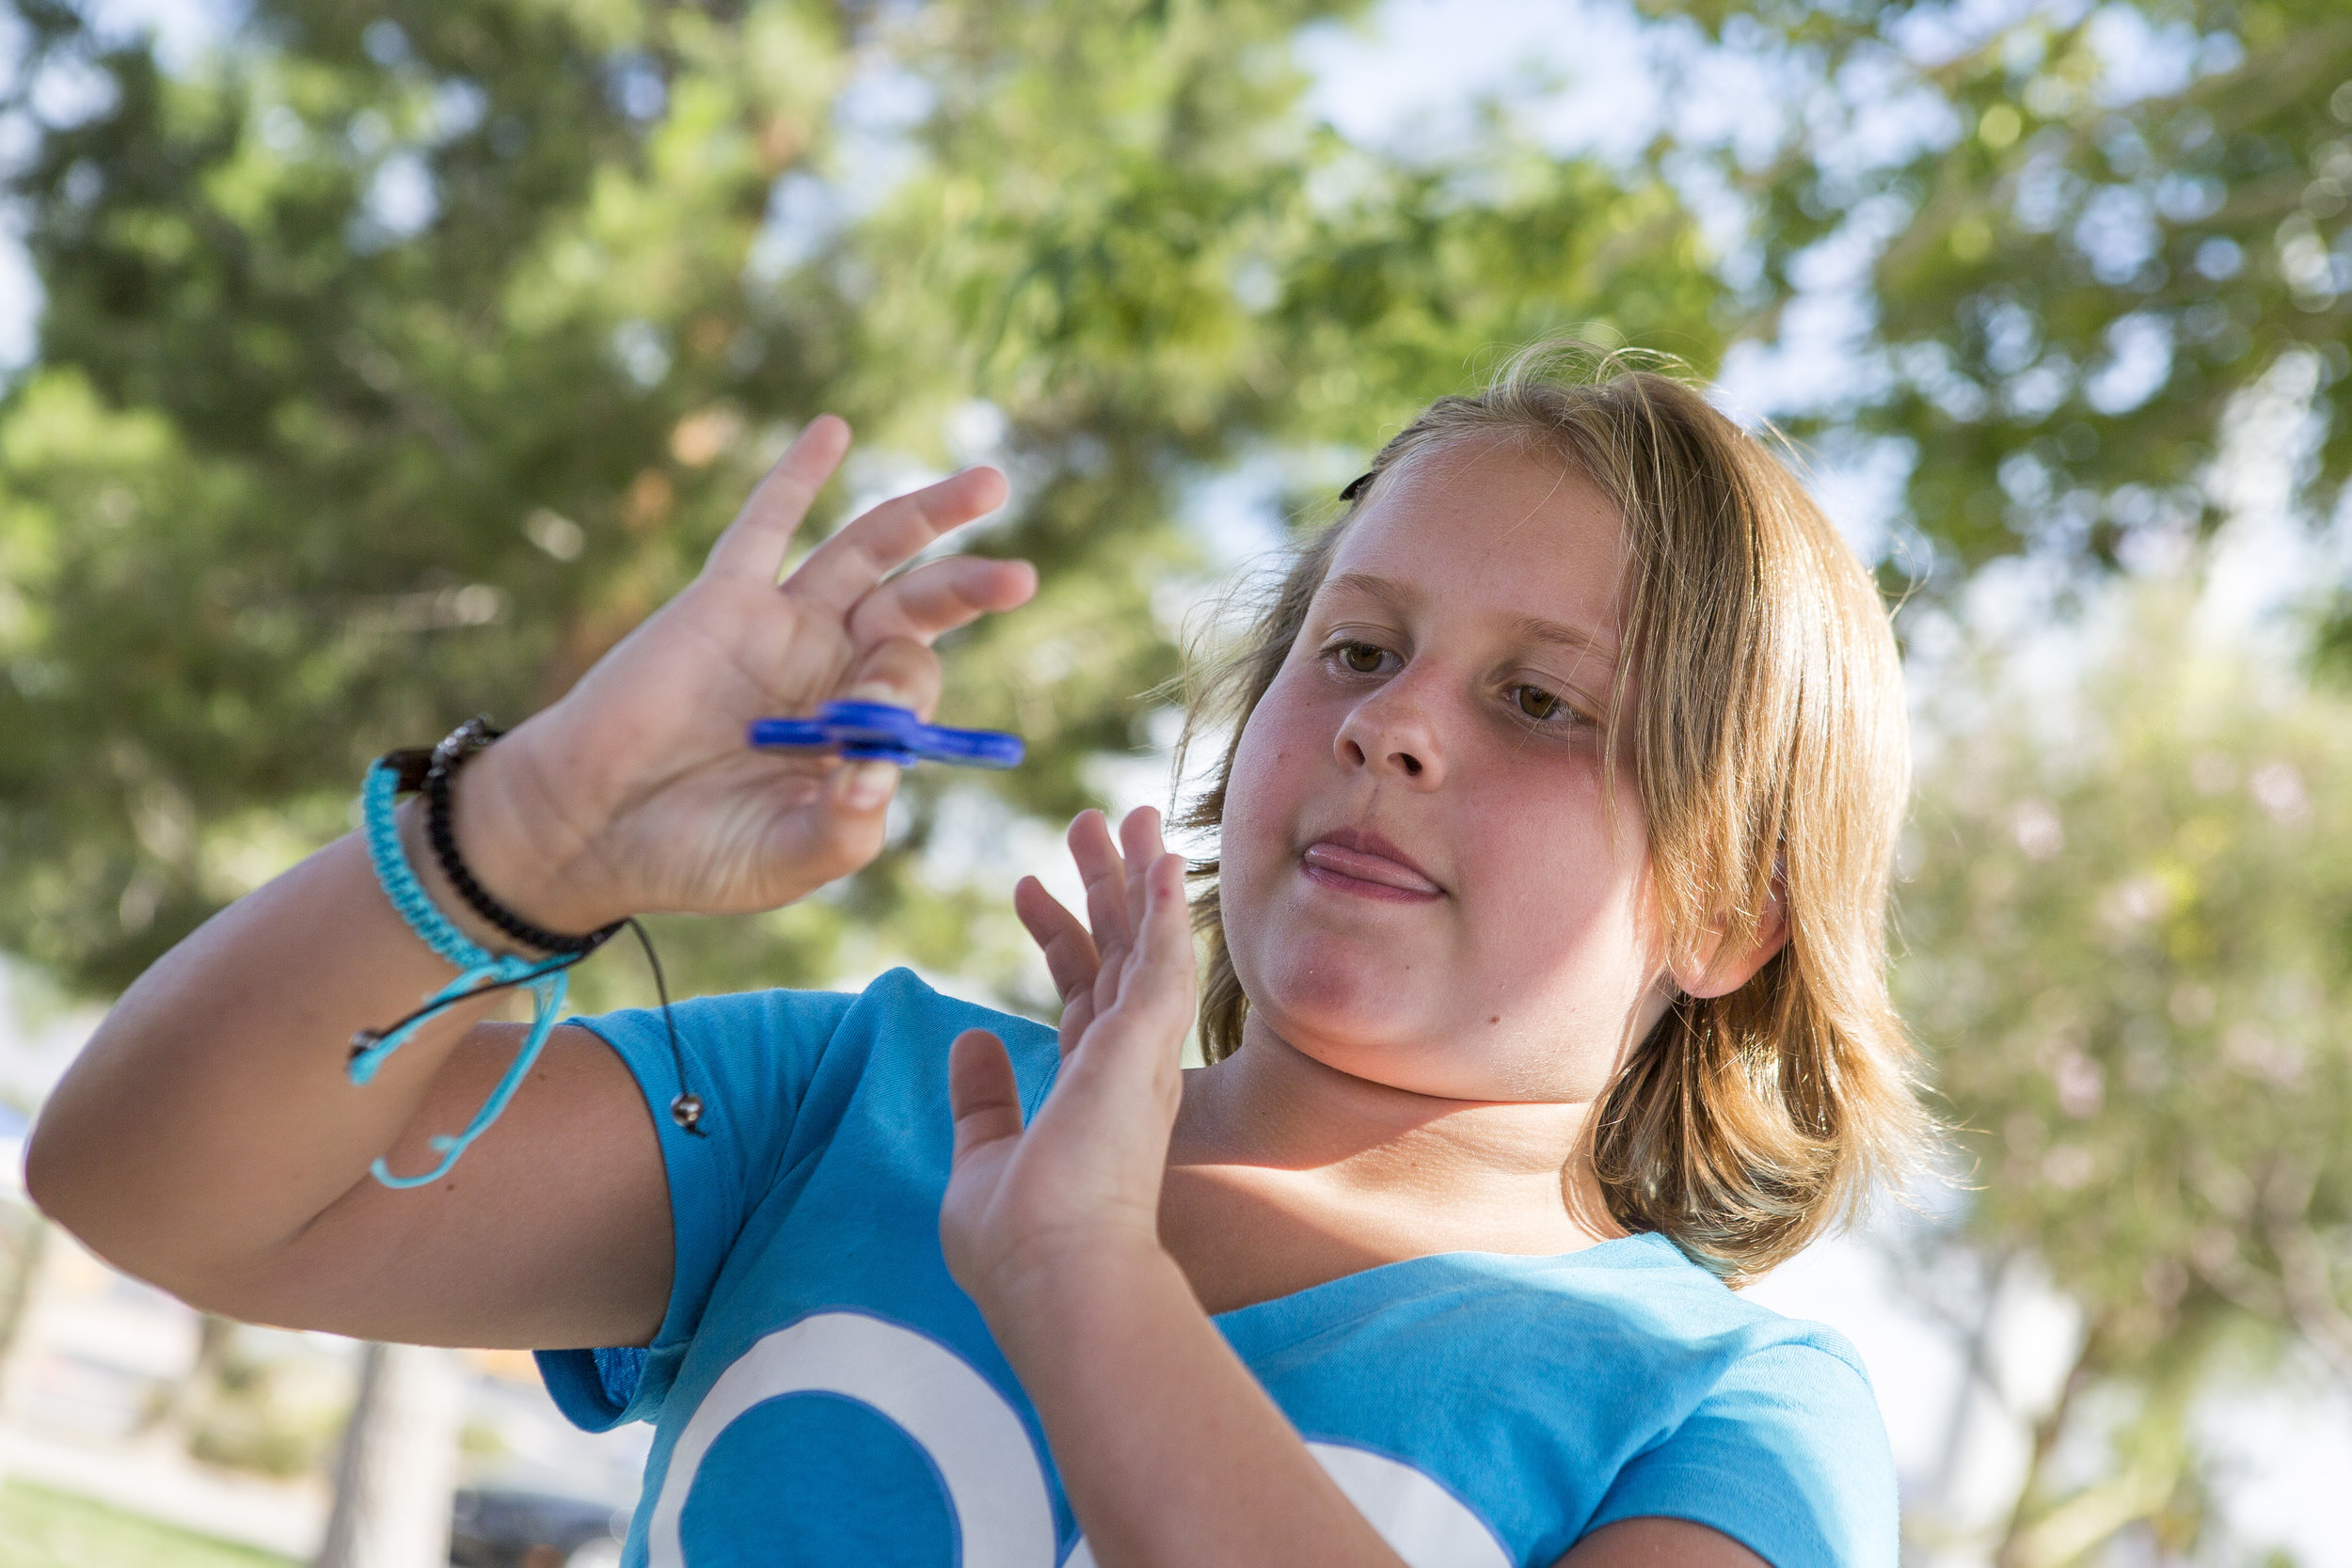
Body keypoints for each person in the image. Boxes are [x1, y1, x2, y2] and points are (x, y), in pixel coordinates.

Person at [26, 341, 1927, 1568]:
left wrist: (1085, 1279)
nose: (1391, 725)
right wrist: (527, 829)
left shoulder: (1728, 1420)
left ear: (1726, 912)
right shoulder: (857, 1110)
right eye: (1352, 652)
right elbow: (149, 1190)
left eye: (1536, 701)